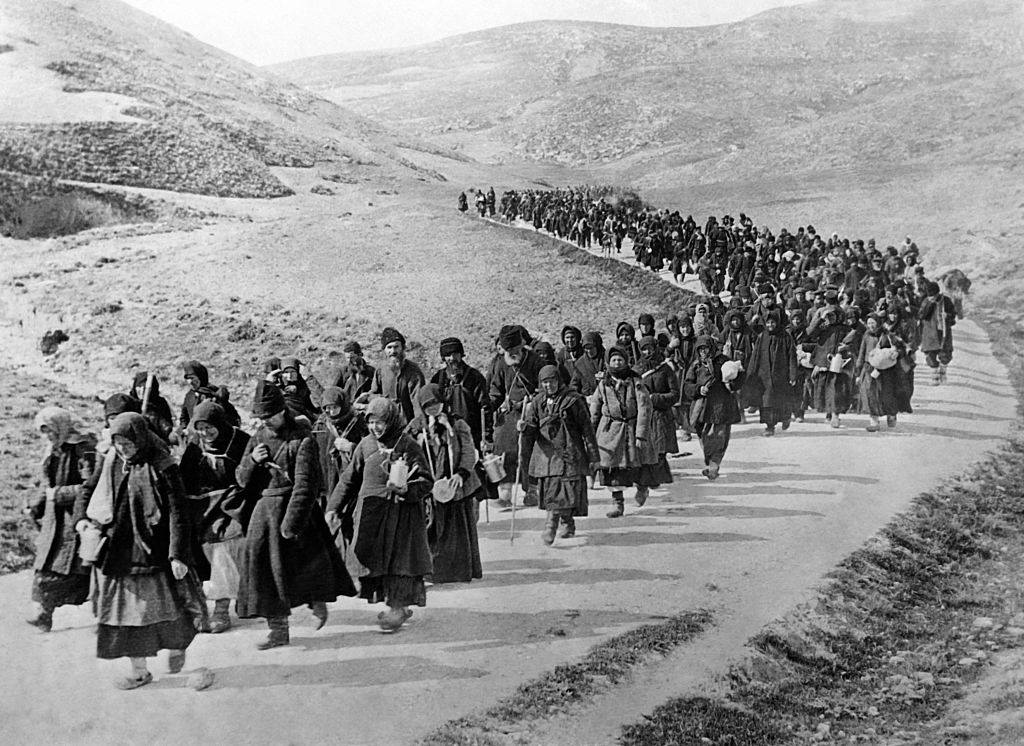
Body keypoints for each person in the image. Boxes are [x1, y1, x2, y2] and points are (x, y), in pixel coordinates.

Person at [85, 412, 209, 690]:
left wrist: (177, 554)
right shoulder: (113, 462)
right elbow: (95, 491)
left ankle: (177, 647)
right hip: (122, 551)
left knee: (167, 608)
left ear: (140, 439)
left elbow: (179, 512)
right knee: (126, 615)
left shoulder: (163, 465)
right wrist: (86, 519)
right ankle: (139, 670)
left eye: (128, 444)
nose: (123, 449)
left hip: (156, 550)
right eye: (118, 443)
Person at [235, 385, 356, 649]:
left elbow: (306, 484)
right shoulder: (257, 437)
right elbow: (241, 480)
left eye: (271, 415)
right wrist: (252, 462)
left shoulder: (301, 438)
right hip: (265, 512)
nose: (266, 421)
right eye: (262, 417)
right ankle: (278, 629)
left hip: (297, 511)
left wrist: (291, 524)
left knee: (305, 566)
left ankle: (317, 601)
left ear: (282, 410)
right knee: (263, 570)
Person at [329, 397, 434, 631]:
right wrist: (333, 508)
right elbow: (348, 480)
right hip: (373, 515)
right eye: (371, 422)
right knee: (376, 562)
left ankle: (397, 609)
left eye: (380, 422)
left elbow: (427, 481)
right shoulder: (365, 445)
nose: (375, 427)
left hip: (402, 515)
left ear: (392, 421)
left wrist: (407, 489)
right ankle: (395, 605)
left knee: (400, 563)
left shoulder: (407, 444)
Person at [178, 401, 250, 634]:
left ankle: (224, 605)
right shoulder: (195, 447)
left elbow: (252, 476)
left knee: (226, 544)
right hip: (206, 509)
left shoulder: (240, 442)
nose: (205, 433)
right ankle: (223, 600)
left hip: (237, 506)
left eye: (209, 427)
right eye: (199, 428)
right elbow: (185, 482)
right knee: (209, 544)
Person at [24, 407, 96, 632]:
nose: (48, 437)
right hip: (54, 520)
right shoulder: (51, 451)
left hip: (75, 518)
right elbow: (47, 486)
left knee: (74, 571)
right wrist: (36, 507)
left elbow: (90, 485)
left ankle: (102, 611)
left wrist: (61, 494)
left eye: (52, 431)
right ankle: (44, 615)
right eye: (44, 432)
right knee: (45, 567)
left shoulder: (83, 450)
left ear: (61, 427)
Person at [406, 385, 482, 582]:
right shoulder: (416, 426)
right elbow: (404, 448)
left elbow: (468, 451)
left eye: (435, 403)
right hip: (430, 485)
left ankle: (456, 570)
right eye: (427, 405)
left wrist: (461, 473)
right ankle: (432, 569)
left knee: (455, 528)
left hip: (453, 483)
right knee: (431, 526)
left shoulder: (457, 424)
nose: (433, 408)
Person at [520, 365, 600, 543]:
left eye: (552, 381)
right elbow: (532, 427)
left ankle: (551, 525)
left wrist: (593, 457)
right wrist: (525, 427)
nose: (548, 386)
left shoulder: (573, 400)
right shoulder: (537, 402)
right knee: (552, 490)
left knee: (565, 490)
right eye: (544, 382)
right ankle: (566, 521)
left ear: (559, 381)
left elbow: (587, 430)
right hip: (546, 455)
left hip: (569, 451)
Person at [590, 346, 659, 517]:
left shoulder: (635, 381)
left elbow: (645, 407)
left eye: (620, 359)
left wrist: (641, 433)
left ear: (626, 362)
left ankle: (642, 489)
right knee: (612, 468)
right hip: (610, 430)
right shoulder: (603, 384)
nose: (617, 363)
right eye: (613, 360)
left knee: (640, 464)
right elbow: (595, 409)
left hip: (633, 428)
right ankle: (617, 503)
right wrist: (590, 432)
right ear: (608, 363)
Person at [487, 325, 543, 508]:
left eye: (514, 349)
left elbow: (545, 388)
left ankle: (532, 490)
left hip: (532, 411)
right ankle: (505, 492)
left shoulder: (535, 361)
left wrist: (533, 401)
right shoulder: (501, 363)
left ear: (522, 345)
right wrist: (489, 405)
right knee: (503, 447)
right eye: (508, 350)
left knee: (530, 451)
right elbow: (496, 389)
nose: (512, 353)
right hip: (511, 412)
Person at [682, 336, 745, 480]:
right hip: (701, 407)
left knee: (720, 436)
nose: (704, 352)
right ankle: (710, 462)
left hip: (721, 405)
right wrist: (699, 389)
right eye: (701, 349)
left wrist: (737, 375)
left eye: (706, 348)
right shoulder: (696, 365)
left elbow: (735, 379)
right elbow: (687, 386)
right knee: (703, 435)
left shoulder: (723, 361)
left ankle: (714, 465)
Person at [430, 336, 489, 448]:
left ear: (461, 355)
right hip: (446, 437)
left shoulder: (475, 377)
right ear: (443, 358)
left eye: (456, 354)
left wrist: (486, 436)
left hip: (472, 436)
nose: (452, 358)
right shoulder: (438, 379)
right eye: (448, 355)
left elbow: (485, 408)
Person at [747, 310, 799, 436]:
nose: (770, 325)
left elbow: (792, 356)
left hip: (781, 375)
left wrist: (793, 375)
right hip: (764, 376)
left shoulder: (785, 336)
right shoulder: (762, 337)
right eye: (768, 322)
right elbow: (755, 356)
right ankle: (770, 426)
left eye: (773, 322)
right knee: (766, 401)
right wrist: (752, 373)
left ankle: (785, 418)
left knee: (781, 400)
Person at [634, 337, 677, 484]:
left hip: (661, 416)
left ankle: (657, 481)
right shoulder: (636, 370)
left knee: (659, 451)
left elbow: (675, 394)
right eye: (644, 349)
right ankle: (654, 480)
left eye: (650, 348)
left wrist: (654, 398)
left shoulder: (665, 369)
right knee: (645, 451)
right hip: (644, 417)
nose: (647, 352)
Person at [855, 313, 904, 431]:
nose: (871, 326)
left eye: (873, 322)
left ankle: (891, 415)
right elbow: (861, 353)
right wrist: (858, 372)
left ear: (878, 322)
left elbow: (901, 347)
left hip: (886, 371)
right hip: (869, 369)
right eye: (869, 323)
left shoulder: (887, 335)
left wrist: (896, 353)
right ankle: (874, 422)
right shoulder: (866, 335)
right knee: (870, 394)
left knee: (886, 394)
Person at [368, 327, 425, 423]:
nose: (393, 351)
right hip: (386, 420)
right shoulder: (380, 369)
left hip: (407, 421)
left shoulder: (413, 371)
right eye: (389, 347)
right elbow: (373, 393)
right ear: (384, 351)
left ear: (402, 348)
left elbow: (417, 401)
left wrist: (419, 423)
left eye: (396, 347)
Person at [918, 280, 957, 385]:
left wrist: (947, 315)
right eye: (929, 296)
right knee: (930, 354)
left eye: (933, 296)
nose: (931, 298)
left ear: (937, 293)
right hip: (930, 332)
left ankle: (943, 372)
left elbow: (953, 315)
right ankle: (934, 376)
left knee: (945, 354)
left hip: (943, 332)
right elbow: (921, 315)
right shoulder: (926, 301)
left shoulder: (946, 301)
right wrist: (929, 304)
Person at [128, 371, 174, 441]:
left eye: (144, 387)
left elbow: (167, 427)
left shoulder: (160, 403)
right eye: (139, 387)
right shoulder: (130, 403)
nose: (142, 390)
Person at [180, 360, 209, 434]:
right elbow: (184, 417)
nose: (190, 382)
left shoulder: (212, 393)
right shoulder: (189, 396)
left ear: (200, 377)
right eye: (188, 379)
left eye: (192, 378)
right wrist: (184, 428)